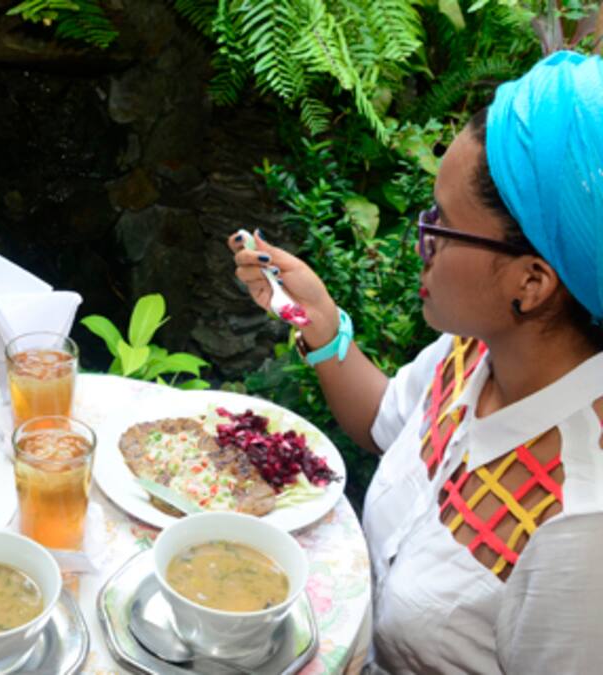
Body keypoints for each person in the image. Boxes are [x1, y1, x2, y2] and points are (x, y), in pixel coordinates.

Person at [229, 51, 603, 673]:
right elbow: (384, 419)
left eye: (441, 226)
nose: (419, 242)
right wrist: (317, 319)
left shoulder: (581, 530)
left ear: (532, 282)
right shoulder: (477, 351)